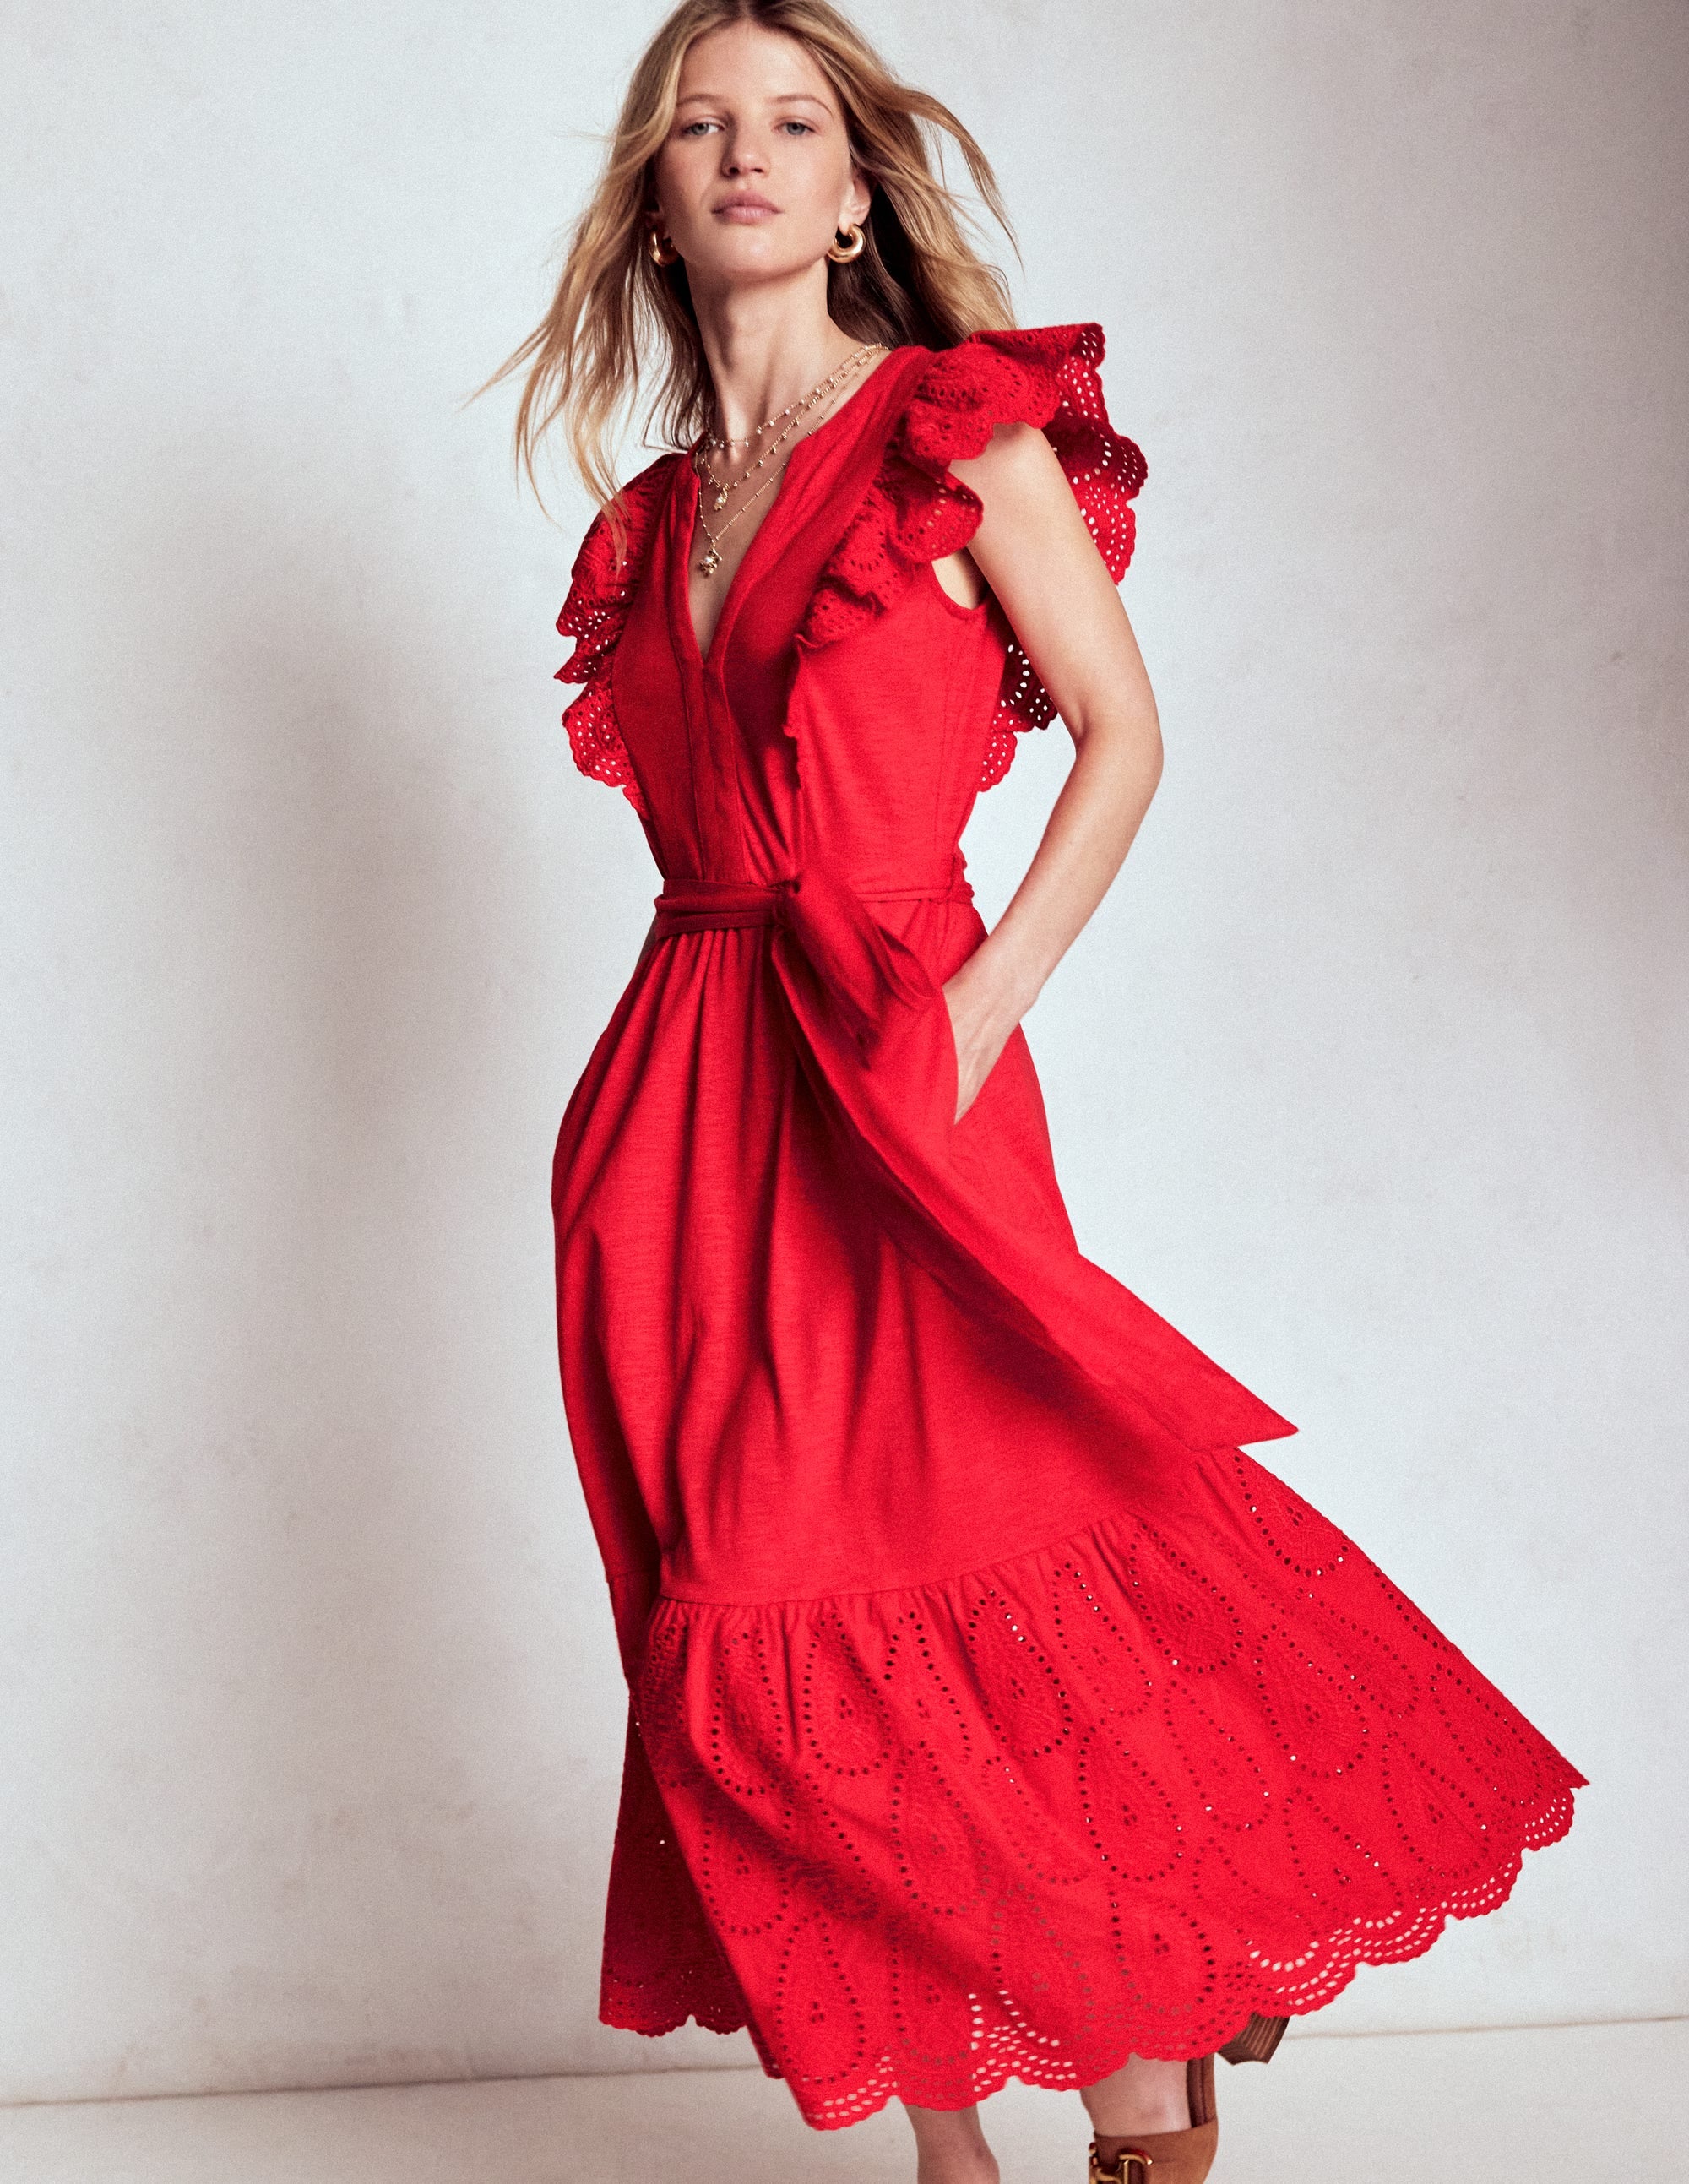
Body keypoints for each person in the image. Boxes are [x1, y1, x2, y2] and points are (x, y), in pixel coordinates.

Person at [481, 4, 1583, 2178]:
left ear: (857, 187)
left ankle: (1139, 2074)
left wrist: (978, 1006)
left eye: (792, 121)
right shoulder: (656, 516)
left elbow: (1122, 732)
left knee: (982, 1548)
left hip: (897, 1052)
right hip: (679, 1102)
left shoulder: (954, 436)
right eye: (700, 126)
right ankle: (962, 2145)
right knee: (733, 1629)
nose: (746, 154)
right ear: (654, 195)